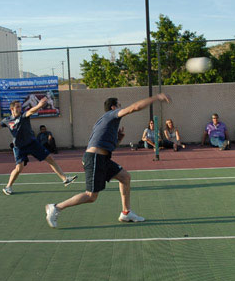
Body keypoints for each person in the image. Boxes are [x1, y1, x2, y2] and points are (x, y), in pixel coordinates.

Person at [45, 93, 172, 228]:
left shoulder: (107, 122)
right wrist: (156, 98)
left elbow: (106, 146)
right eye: (119, 105)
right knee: (91, 196)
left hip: (102, 158)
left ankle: (126, 212)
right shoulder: (111, 115)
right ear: (113, 107)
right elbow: (134, 108)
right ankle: (56, 207)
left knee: (125, 177)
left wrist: (119, 139)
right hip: (94, 158)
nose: (121, 107)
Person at [0, 97, 76, 196]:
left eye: (20, 106)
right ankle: (8, 187)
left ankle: (64, 179)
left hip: (32, 143)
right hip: (19, 147)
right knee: (19, 168)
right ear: (12, 109)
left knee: (50, 158)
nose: (20, 108)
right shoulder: (7, 120)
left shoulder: (23, 116)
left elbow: (31, 111)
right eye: (17, 107)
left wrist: (39, 106)